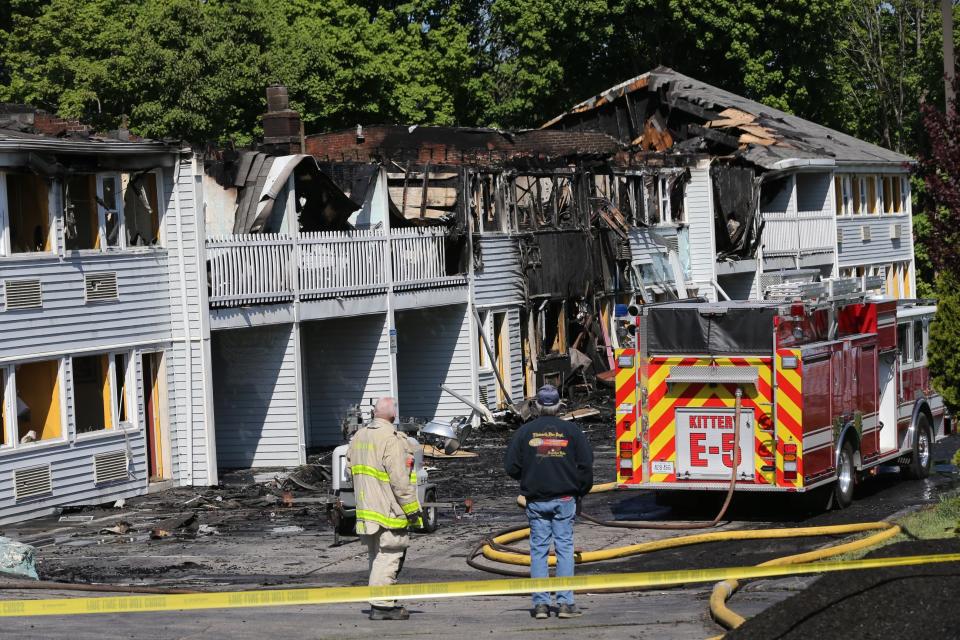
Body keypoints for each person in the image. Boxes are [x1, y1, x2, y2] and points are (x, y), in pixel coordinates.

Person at [504, 384, 593, 620]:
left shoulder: (525, 432)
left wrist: (530, 476)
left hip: (536, 499)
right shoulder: (572, 431)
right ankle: (565, 603)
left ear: (537, 406)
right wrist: (581, 492)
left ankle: (541, 605)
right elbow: (586, 466)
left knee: (538, 551)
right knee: (564, 549)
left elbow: (511, 467)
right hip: (565, 498)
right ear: (559, 405)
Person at [346, 397, 422, 621]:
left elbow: (350, 469)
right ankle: (382, 605)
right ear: (393, 415)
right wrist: (412, 510)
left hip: (366, 508)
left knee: (376, 555)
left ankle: (381, 599)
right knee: (390, 554)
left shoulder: (359, 436)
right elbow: (399, 480)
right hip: (388, 508)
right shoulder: (391, 438)